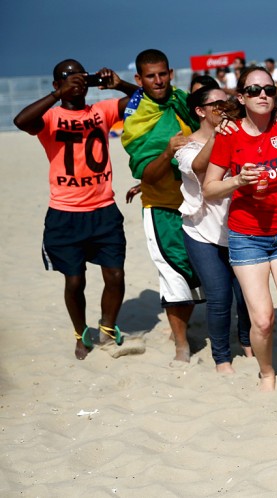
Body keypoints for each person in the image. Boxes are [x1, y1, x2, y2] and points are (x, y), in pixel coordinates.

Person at [13, 59, 138, 359]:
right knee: (74, 279)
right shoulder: (50, 118)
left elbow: (146, 100)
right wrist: (57, 95)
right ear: (56, 85)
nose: (75, 82)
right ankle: (81, 332)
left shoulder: (102, 111)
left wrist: (119, 83)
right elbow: (20, 121)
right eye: (66, 79)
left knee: (116, 275)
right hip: (65, 213)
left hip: (103, 209)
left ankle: (107, 329)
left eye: (79, 77)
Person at [203, 66, 277, 391]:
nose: (262, 95)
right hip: (247, 236)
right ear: (241, 96)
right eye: (254, 90)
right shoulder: (228, 134)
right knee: (262, 319)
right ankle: (267, 372)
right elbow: (209, 188)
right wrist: (236, 180)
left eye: (269, 89)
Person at [121, 49, 204, 363]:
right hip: (161, 206)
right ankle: (181, 345)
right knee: (173, 274)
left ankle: (182, 329)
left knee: (197, 273)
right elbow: (146, 174)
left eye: (162, 74)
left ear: (171, 73)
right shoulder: (136, 118)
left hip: (199, 202)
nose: (158, 81)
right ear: (139, 79)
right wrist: (166, 152)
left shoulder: (184, 100)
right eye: (150, 76)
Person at [174, 84, 253, 373]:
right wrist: (219, 134)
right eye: (217, 104)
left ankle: (247, 342)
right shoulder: (186, 146)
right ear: (200, 111)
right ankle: (221, 357)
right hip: (201, 231)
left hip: (239, 228)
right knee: (220, 297)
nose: (224, 108)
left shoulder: (237, 133)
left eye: (227, 102)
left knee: (246, 295)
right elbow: (198, 164)